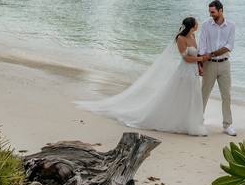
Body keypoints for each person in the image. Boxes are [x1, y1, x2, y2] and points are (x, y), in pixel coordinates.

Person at [76, 17, 208, 136]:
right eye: (196, 23)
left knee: (192, 96)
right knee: (182, 96)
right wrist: (202, 58)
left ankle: (189, 121)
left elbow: (194, 57)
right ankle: (178, 122)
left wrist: (200, 66)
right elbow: (186, 58)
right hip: (184, 72)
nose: (198, 25)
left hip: (194, 72)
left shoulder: (193, 36)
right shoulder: (181, 39)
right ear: (191, 26)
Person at [198, 0, 237, 136]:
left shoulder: (231, 26)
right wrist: (200, 64)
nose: (211, 15)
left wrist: (213, 53)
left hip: (225, 64)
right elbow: (202, 45)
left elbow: (229, 46)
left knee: (226, 95)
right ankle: (198, 121)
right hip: (209, 64)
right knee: (204, 93)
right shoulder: (205, 25)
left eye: (213, 12)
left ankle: (227, 125)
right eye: (209, 12)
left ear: (221, 10)